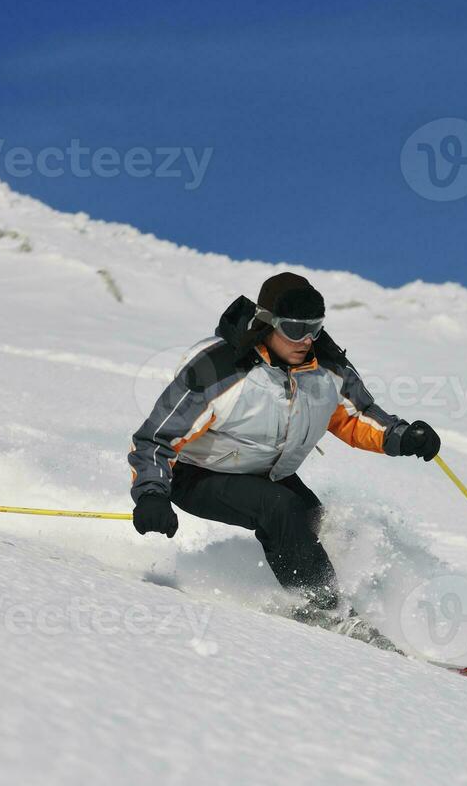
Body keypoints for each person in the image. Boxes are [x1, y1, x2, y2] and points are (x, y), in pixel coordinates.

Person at [127, 272, 440, 649]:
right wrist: (151, 495)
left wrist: (402, 436)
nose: (306, 340)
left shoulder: (327, 369)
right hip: (196, 474)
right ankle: (326, 612)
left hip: (268, 474)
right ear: (266, 322)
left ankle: (330, 603)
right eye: (294, 329)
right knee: (282, 508)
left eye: (315, 328)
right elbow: (155, 439)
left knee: (319, 524)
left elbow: (358, 416)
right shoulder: (219, 369)